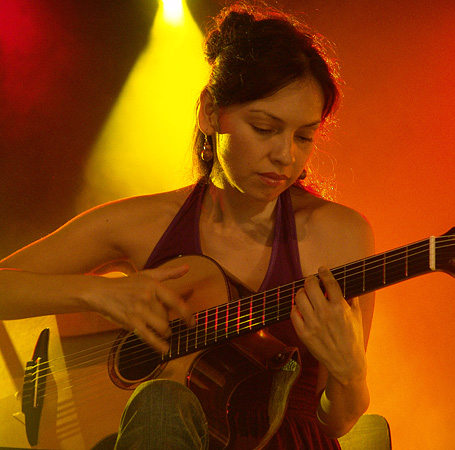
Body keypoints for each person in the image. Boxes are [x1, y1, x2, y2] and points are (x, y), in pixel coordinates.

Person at [0, 2, 375, 449]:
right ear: (210, 113)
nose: (285, 155)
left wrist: (352, 375)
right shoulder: (142, 222)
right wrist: (96, 292)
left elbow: (338, 424)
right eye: (264, 128)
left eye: (304, 136)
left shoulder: (341, 236)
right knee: (161, 400)